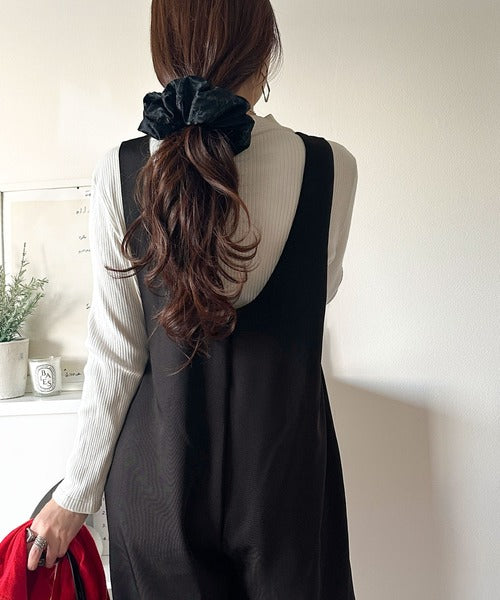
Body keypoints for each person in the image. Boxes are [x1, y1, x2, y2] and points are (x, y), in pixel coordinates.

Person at [27, 0, 358, 597]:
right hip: (284, 479)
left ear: (164, 51)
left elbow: (117, 351)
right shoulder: (331, 167)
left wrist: (76, 493)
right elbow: (319, 294)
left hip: (158, 487)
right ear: (266, 48)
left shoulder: (122, 169)